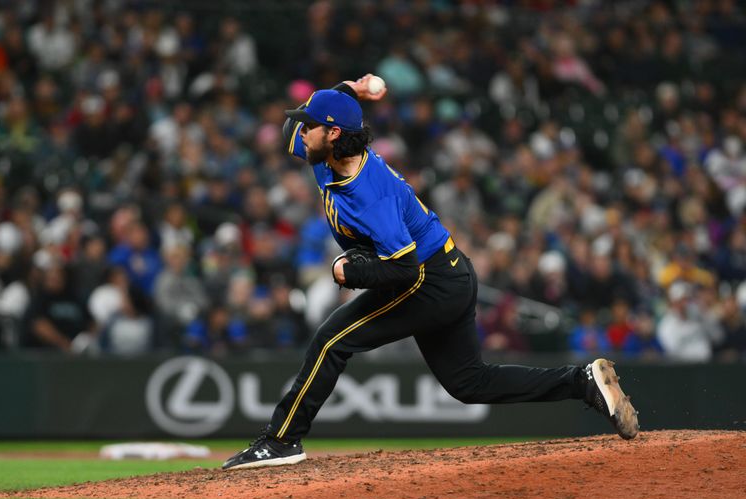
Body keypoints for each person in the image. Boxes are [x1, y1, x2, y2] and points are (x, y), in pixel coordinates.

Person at [222, 75, 639, 470]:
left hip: (427, 279)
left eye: (308, 125)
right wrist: (350, 88)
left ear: (332, 135)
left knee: (332, 341)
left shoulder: (370, 195)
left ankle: (280, 440)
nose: (299, 132)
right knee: (469, 383)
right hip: (450, 269)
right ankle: (582, 382)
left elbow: (402, 269)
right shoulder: (326, 152)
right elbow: (290, 131)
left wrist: (351, 271)